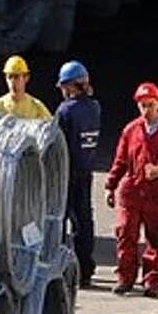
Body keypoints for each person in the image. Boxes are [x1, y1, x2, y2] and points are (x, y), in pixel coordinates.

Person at [105, 81, 158, 297]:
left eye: (150, 105)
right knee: (126, 234)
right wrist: (110, 185)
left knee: (155, 239)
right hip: (131, 191)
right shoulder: (131, 130)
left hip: (157, 194)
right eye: (142, 105)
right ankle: (125, 278)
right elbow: (120, 160)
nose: (146, 110)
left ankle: (151, 281)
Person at [55, 60, 101, 287]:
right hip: (86, 171)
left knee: (61, 221)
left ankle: (62, 267)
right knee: (85, 220)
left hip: (68, 173)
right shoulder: (94, 108)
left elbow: (56, 144)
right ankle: (86, 269)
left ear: (71, 86)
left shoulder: (66, 111)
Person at [0, 55, 52, 119]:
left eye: (16, 77)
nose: (12, 81)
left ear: (26, 78)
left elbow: (52, 127)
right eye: (9, 77)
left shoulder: (36, 107)